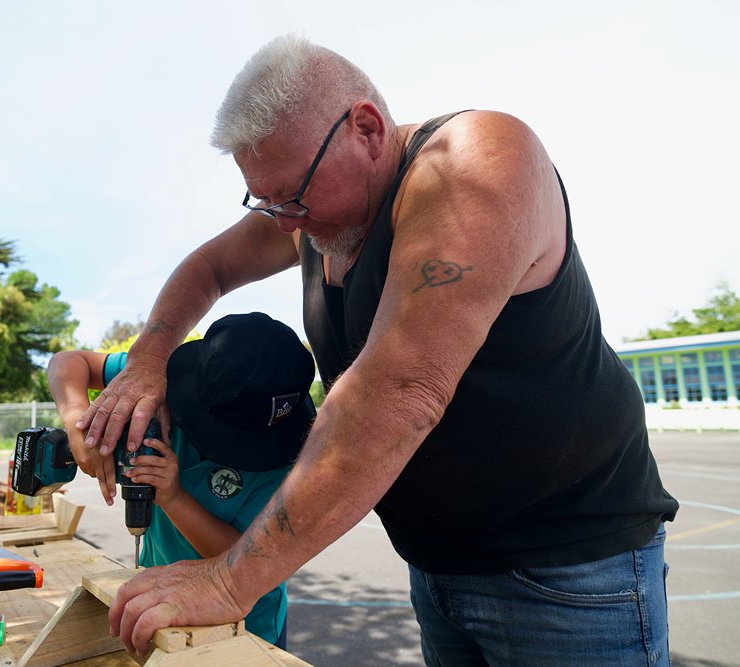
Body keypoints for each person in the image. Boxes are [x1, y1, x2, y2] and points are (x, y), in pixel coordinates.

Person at [79, 34, 680, 665]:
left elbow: (399, 393)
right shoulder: (306, 216)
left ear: (365, 129)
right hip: (439, 566)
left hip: (568, 572)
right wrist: (147, 362)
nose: (285, 223)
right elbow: (208, 267)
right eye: (267, 201)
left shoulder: (472, 162)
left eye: (294, 196)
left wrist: (230, 581)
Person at [47, 311, 316, 648]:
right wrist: (78, 422)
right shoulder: (159, 379)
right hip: (158, 594)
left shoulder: (288, 460)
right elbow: (67, 362)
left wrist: (174, 498)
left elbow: (254, 558)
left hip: (246, 626)